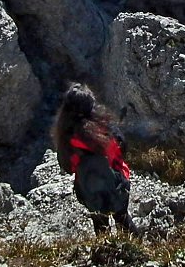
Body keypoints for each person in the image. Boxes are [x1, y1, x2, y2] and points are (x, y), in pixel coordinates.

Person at [52, 83, 139, 236]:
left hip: (88, 191)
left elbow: (68, 167)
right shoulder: (106, 129)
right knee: (123, 219)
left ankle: (105, 254)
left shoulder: (67, 139)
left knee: (100, 225)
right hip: (117, 185)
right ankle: (135, 251)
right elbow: (122, 150)